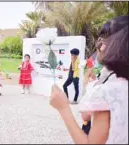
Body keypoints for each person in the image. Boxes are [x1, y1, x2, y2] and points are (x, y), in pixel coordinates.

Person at [49, 15, 128, 144]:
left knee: (72, 87)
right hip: (73, 76)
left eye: (103, 39)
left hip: (74, 76)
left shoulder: (107, 91)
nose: (99, 45)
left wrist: (63, 108)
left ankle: (71, 99)